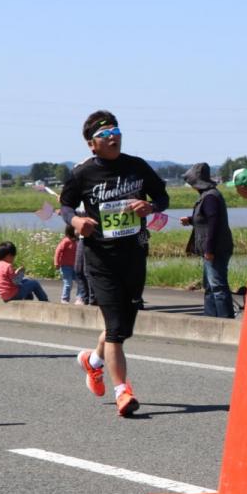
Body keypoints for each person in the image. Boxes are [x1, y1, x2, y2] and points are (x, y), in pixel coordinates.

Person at [60, 110, 170, 417]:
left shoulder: (136, 166)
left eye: (116, 130)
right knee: (116, 331)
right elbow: (65, 205)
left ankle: (93, 361)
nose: (113, 137)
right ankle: (123, 391)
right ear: (92, 144)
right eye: (105, 134)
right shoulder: (83, 173)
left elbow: (162, 196)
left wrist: (151, 205)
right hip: (100, 258)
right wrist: (77, 219)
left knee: (120, 327)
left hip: (134, 254)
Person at [180, 162, 235, 318]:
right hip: (212, 249)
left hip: (215, 250)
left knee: (217, 286)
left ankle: (225, 321)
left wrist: (209, 250)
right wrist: (191, 220)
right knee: (210, 286)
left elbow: (214, 224)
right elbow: (206, 219)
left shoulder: (210, 197)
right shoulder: (208, 195)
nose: (191, 186)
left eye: (191, 183)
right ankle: (211, 319)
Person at [54, 226, 79, 303]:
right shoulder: (66, 241)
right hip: (66, 266)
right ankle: (64, 299)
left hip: (75, 266)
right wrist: (56, 263)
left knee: (80, 282)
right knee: (68, 283)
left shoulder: (77, 241)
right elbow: (58, 251)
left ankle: (80, 298)